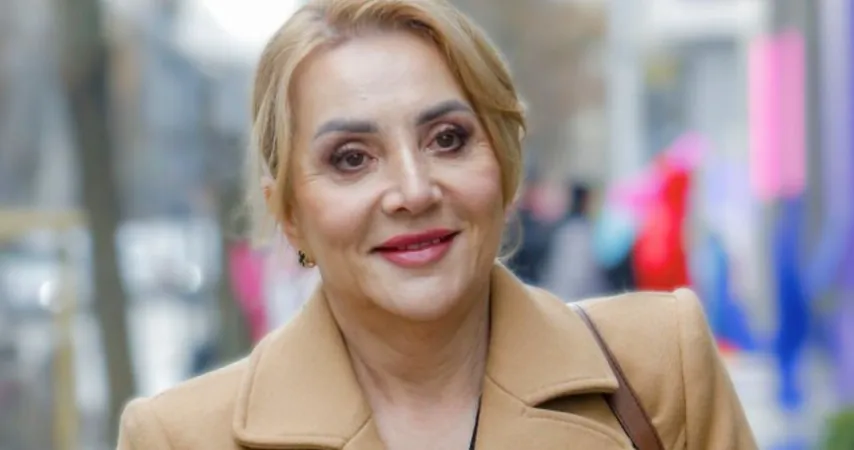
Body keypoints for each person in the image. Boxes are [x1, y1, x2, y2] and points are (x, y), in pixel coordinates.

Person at [117, 1, 757, 449]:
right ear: (289, 214)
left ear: (504, 167)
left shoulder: (659, 370)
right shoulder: (182, 438)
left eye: (447, 139)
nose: (414, 191)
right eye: (351, 159)